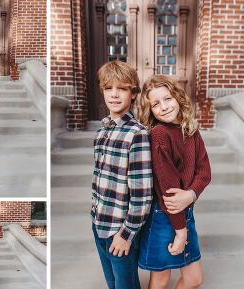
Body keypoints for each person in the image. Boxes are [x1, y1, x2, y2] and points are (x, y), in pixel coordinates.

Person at [137, 75, 211, 289]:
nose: (164, 107)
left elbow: (204, 171)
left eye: (167, 99)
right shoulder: (160, 134)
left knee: (194, 279)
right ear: (150, 109)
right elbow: (168, 190)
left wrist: (191, 194)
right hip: (164, 216)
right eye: (156, 104)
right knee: (161, 279)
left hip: (186, 212)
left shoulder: (191, 130)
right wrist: (180, 231)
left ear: (178, 97)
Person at [91, 60, 153, 289]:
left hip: (119, 228)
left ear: (133, 93)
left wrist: (126, 234)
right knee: (112, 284)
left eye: (122, 88)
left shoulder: (137, 135)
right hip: (99, 221)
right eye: (109, 88)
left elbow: (142, 195)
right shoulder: (103, 131)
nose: (114, 95)